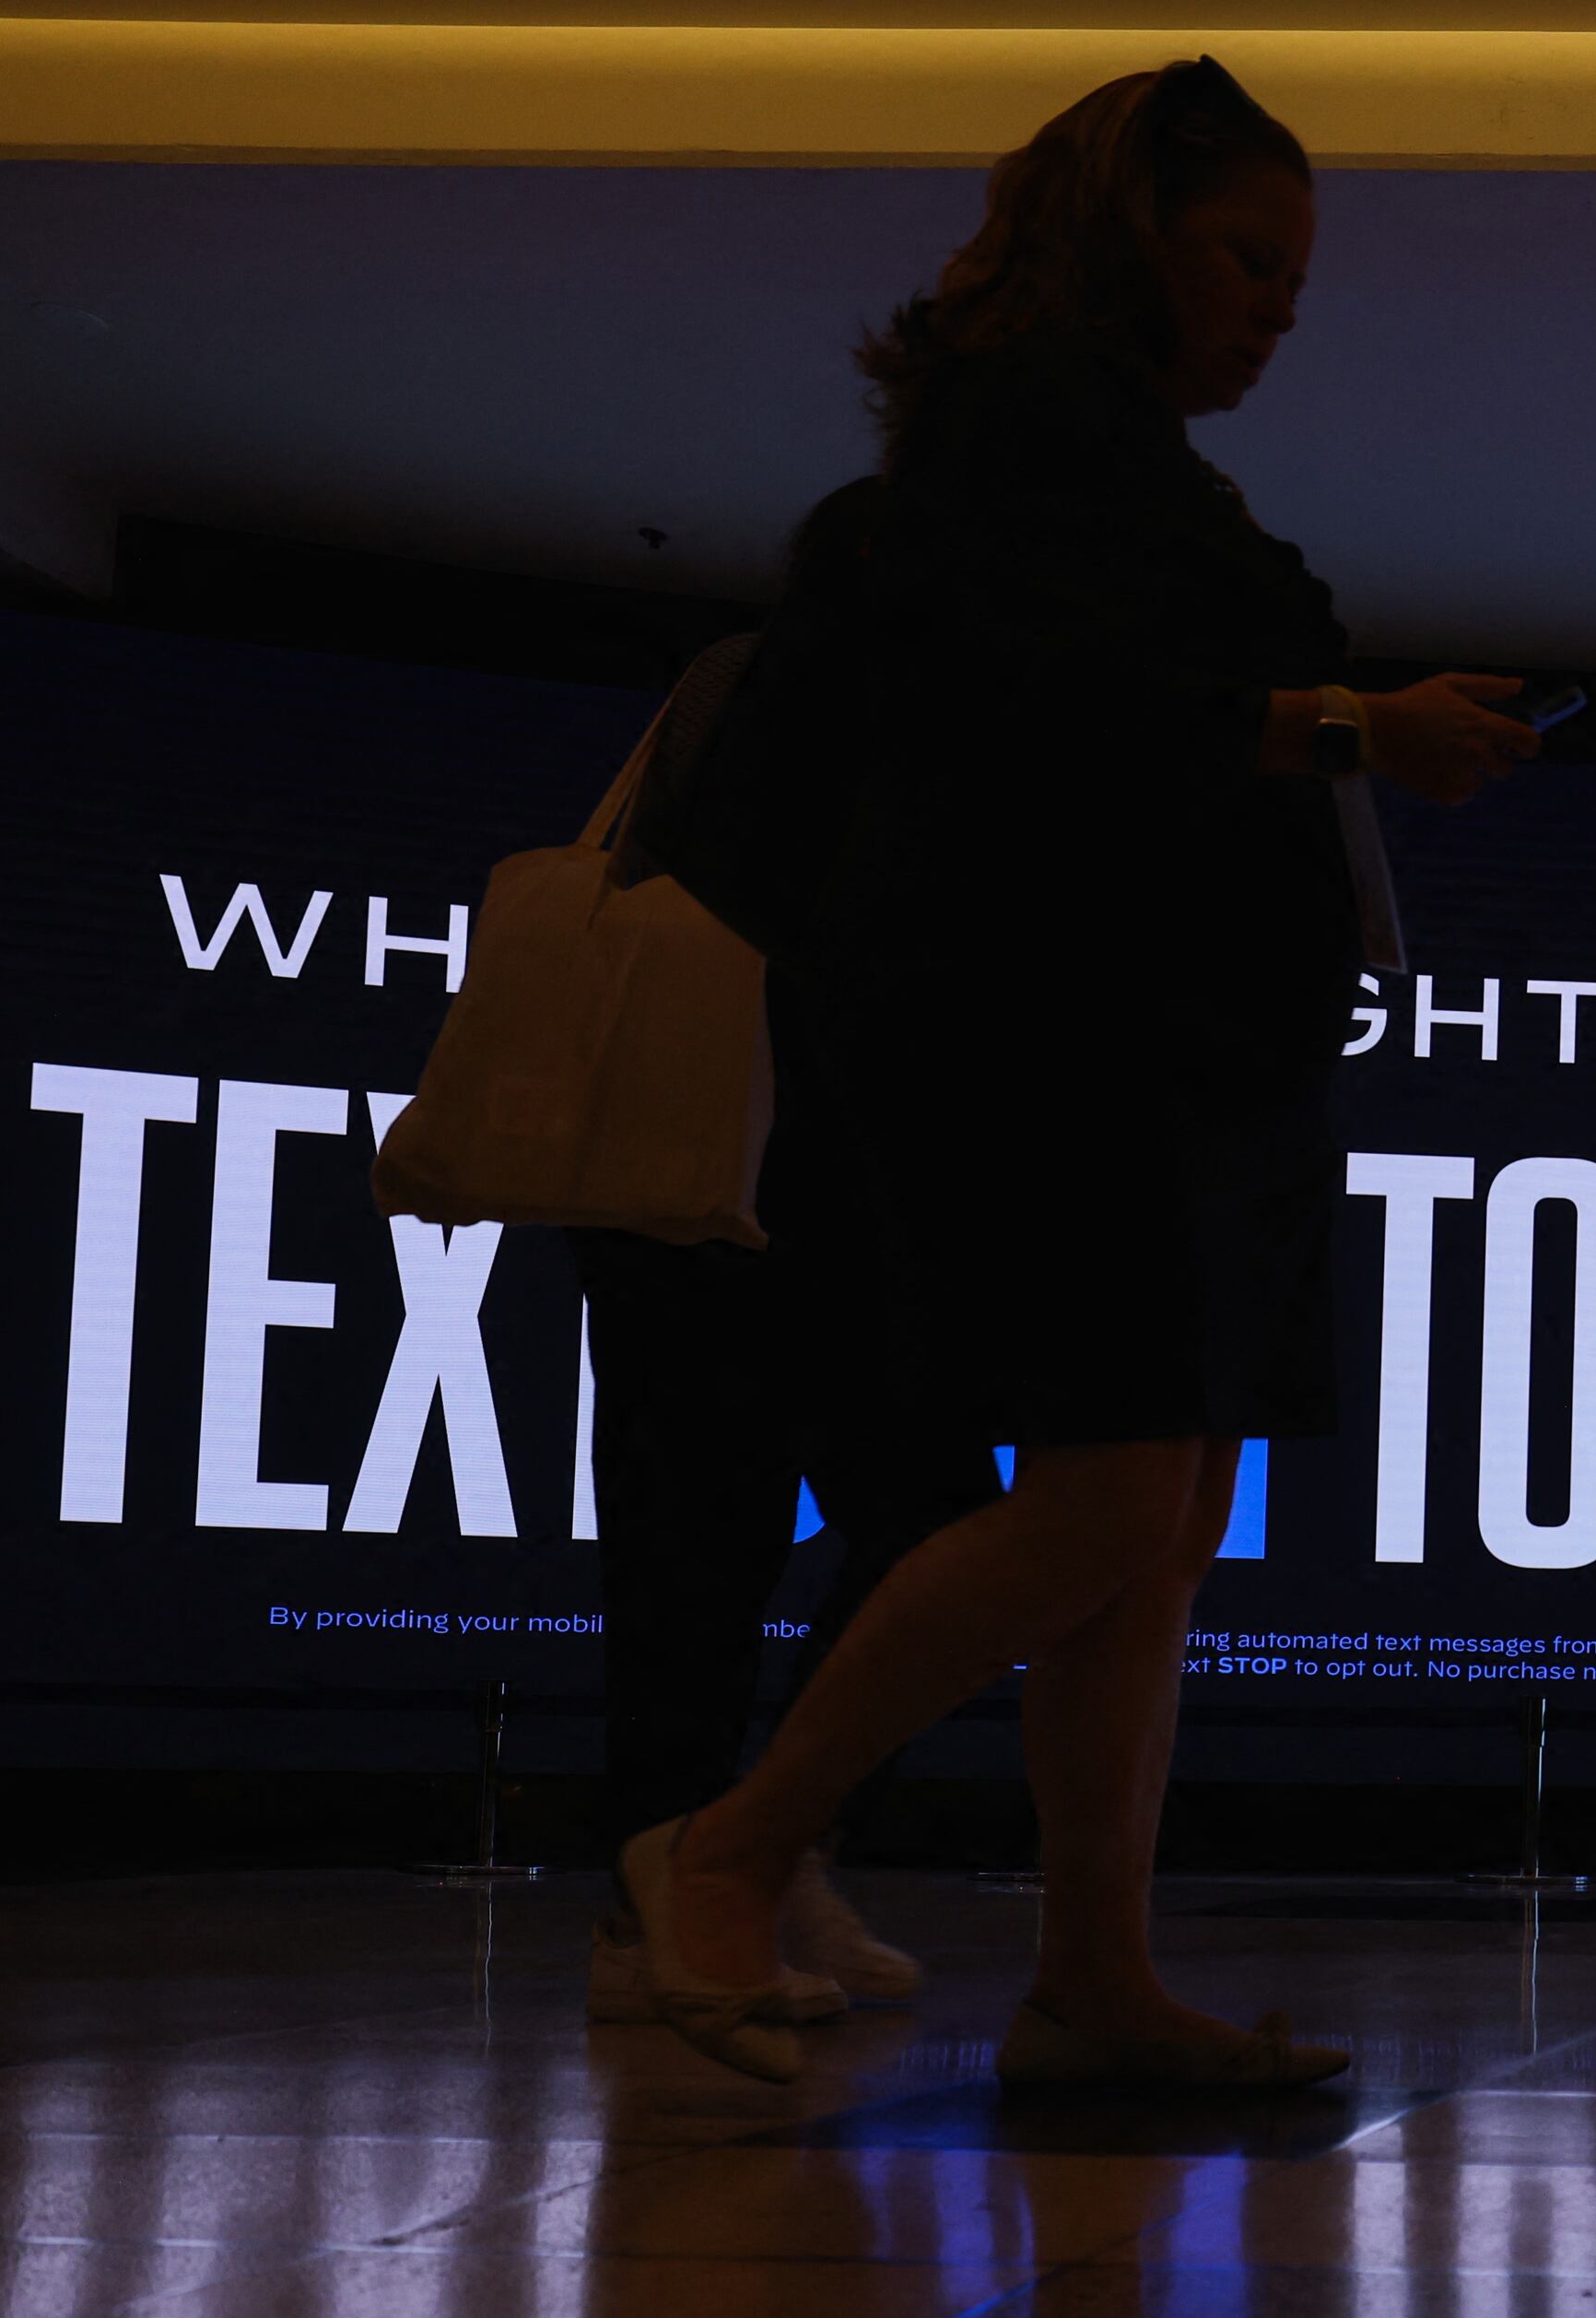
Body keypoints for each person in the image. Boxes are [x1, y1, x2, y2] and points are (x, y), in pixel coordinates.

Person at [625, 58, 1540, 2085]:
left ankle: (1091, 1970)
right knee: (1125, 1479)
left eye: (1294, 275)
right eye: (1246, 258)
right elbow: (1058, 710)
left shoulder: (1094, 453)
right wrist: (1344, 727)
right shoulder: (1031, 442)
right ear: (1127, 230)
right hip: (1082, 1034)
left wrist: (1329, 729)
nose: (1276, 307)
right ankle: (739, 1840)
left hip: (1172, 1039)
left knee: (1156, 1507)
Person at [573, 633, 999, 2029]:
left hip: (786, 1167)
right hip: (724, 1159)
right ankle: (688, 1879)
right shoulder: (794, 687)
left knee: (891, 1524)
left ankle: (752, 1850)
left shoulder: (787, 686)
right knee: (708, 1537)